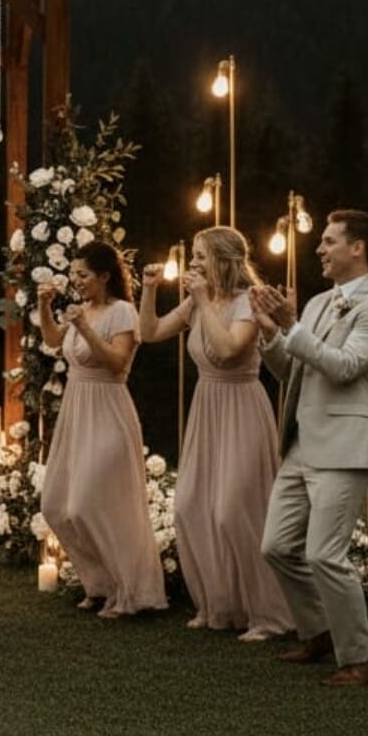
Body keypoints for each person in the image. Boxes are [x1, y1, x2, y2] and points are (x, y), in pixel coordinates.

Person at [252, 209, 368, 687]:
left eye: (329, 241)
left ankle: (362, 658)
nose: (320, 249)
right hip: (300, 443)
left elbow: (343, 367)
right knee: (277, 546)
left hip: (343, 447)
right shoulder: (318, 303)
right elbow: (290, 372)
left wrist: (291, 328)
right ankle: (318, 631)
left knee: (324, 554)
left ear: (357, 248)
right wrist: (271, 334)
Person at [139, 227, 291, 639]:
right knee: (191, 506)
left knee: (234, 510)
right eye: (193, 256)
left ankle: (268, 614)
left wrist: (203, 301)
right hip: (207, 408)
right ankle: (218, 605)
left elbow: (227, 350)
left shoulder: (247, 302)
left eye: (201, 256)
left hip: (242, 407)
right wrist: (149, 290)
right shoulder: (196, 302)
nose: (193, 264)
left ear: (223, 261)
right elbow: (149, 333)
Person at [39, 240, 167, 618]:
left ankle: (128, 590)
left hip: (109, 410)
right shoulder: (80, 310)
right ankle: (99, 584)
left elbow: (116, 362)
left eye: (83, 274)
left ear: (105, 276)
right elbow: (51, 341)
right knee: (56, 505)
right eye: (73, 274)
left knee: (90, 504)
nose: (75, 281)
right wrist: (45, 307)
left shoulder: (122, 312)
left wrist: (85, 328)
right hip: (76, 411)